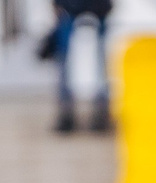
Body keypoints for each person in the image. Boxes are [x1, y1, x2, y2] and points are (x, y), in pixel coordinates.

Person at [42, 0, 113, 134]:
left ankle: (96, 113)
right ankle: (69, 114)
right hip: (74, 9)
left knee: (95, 63)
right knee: (68, 62)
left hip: (89, 9)